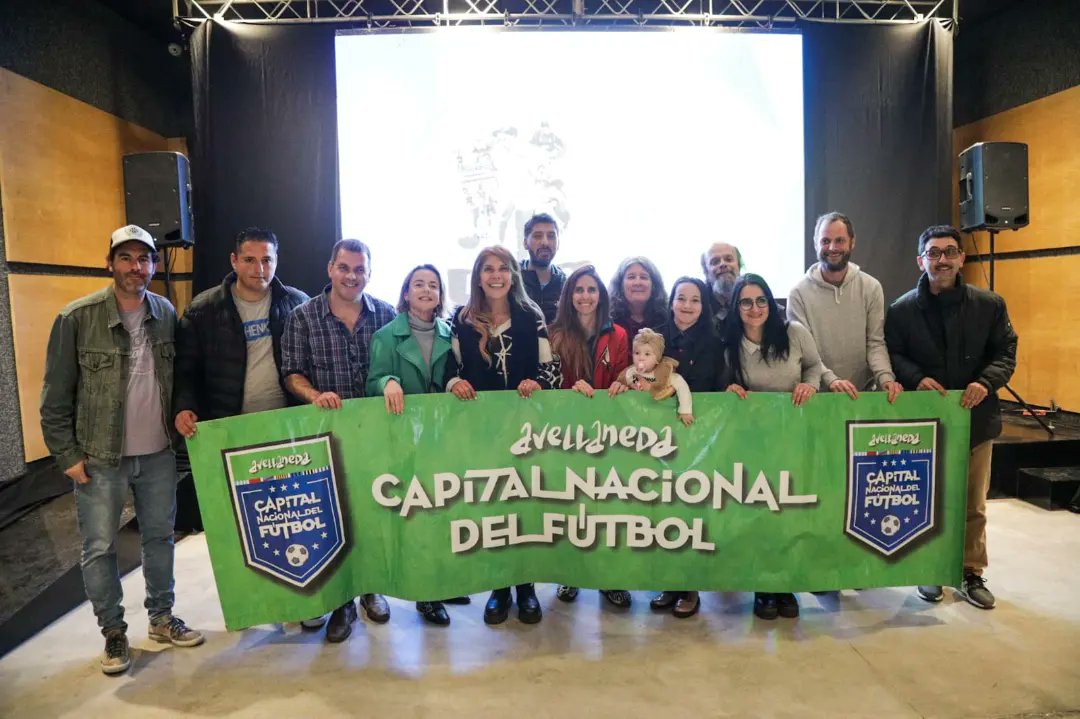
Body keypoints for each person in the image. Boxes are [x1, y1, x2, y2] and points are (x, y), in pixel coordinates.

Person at [39, 225, 203, 675]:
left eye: (145, 259)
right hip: (99, 457)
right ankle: (113, 632)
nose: (137, 267)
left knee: (160, 539)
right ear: (110, 262)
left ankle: (162, 617)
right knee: (99, 547)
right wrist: (66, 455)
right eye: (127, 258)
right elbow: (54, 397)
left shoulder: (166, 312)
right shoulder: (76, 318)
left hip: (157, 454)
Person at [885, 225, 1017, 610]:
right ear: (920, 260)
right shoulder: (901, 309)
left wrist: (986, 383)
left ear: (962, 257)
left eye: (949, 252)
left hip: (977, 421)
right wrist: (914, 378)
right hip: (925, 426)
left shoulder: (990, 304)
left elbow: (1006, 352)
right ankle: (929, 569)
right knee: (927, 500)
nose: (941, 260)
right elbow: (893, 354)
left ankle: (970, 572)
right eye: (933, 253)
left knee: (973, 503)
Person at [280, 238, 396, 642]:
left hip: (376, 438)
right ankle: (340, 601)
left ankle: (371, 589)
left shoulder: (386, 314)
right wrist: (314, 396)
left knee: (373, 515)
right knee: (332, 519)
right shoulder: (303, 317)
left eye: (360, 269)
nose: (352, 276)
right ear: (330, 268)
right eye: (344, 268)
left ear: (369, 273)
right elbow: (291, 372)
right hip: (324, 437)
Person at [447, 245, 561, 625]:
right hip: (484, 432)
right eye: (487, 269)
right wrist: (455, 384)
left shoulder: (531, 316)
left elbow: (551, 370)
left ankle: (526, 585)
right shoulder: (462, 320)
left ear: (513, 274)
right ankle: (498, 586)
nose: (495, 275)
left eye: (503, 269)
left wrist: (537, 382)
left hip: (527, 430)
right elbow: (451, 369)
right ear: (478, 276)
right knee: (494, 506)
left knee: (525, 505)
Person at [366, 264, 472, 626]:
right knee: (418, 515)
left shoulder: (450, 333)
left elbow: (454, 375)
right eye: (418, 284)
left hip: (443, 437)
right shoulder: (385, 336)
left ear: (440, 295)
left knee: (445, 509)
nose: (426, 290)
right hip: (405, 439)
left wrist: (456, 382)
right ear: (406, 293)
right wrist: (388, 382)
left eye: (433, 285)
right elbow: (374, 380)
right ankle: (425, 594)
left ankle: (442, 582)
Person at [722, 273, 823, 621]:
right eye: (746, 302)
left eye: (761, 300)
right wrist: (729, 388)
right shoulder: (728, 341)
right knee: (759, 513)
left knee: (788, 512)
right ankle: (764, 586)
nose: (754, 308)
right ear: (737, 307)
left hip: (792, 436)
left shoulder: (794, 333)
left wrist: (810, 386)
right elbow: (723, 383)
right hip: (751, 441)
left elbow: (814, 367)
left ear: (771, 302)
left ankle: (786, 584)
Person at [548, 264, 631, 608]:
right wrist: (571, 389)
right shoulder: (554, 334)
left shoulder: (620, 335)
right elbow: (550, 384)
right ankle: (570, 575)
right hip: (567, 435)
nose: (585, 296)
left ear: (601, 295)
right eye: (579, 290)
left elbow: (627, 375)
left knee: (609, 506)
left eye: (591, 290)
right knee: (571, 504)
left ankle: (610, 578)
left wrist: (622, 380)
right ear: (570, 296)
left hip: (609, 434)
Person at [647, 277, 720, 618]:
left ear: (703, 306)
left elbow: (717, 388)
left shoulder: (715, 341)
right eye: (681, 298)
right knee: (662, 508)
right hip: (655, 436)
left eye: (695, 300)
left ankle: (689, 586)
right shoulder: (655, 337)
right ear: (671, 301)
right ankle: (668, 582)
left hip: (696, 435)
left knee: (690, 509)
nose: (687, 305)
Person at [787, 212, 902, 403]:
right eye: (825, 241)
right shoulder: (798, 294)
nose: (832, 247)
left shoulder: (871, 287)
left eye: (839, 240)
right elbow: (805, 354)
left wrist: (886, 378)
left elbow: (875, 343)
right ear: (815, 243)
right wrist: (832, 380)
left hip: (862, 395)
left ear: (852, 242)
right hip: (816, 397)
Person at [609, 256, 669, 363]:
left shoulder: (666, 320)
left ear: (654, 285)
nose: (638, 282)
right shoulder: (609, 322)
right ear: (621, 285)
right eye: (631, 277)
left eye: (644, 277)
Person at [519, 212, 566, 324]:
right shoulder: (512, 279)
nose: (545, 242)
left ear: (558, 243)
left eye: (551, 236)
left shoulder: (566, 284)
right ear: (525, 243)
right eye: (538, 236)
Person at [701, 242, 743, 328]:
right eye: (715, 261)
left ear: (739, 267)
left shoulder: (753, 294)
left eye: (728, 259)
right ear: (706, 272)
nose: (723, 264)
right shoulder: (696, 305)